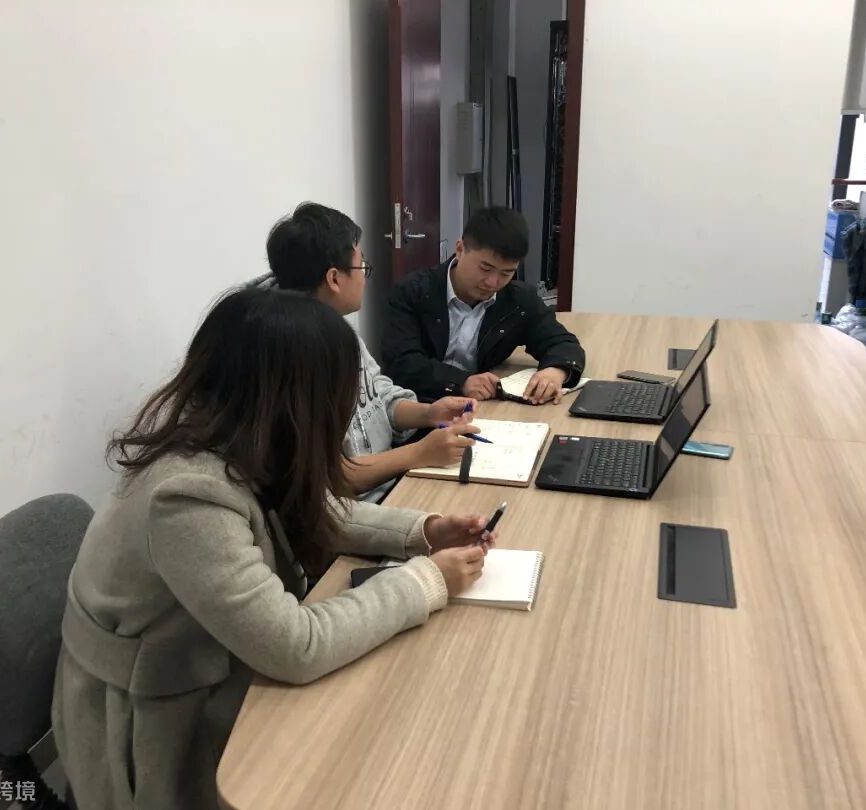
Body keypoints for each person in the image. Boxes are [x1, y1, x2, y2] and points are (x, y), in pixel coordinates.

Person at [52, 287, 495, 810]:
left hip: (212, 663)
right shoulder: (186, 495)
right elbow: (295, 647)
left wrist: (426, 531)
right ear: (294, 399)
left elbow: (315, 510)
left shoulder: (240, 436)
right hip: (150, 724)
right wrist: (427, 579)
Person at [256, 202, 478, 502]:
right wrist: (418, 453)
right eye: (361, 266)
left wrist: (429, 413)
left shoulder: (338, 331)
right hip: (356, 510)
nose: (364, 277)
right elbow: (330, 479)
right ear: (334, 279)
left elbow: (379, 395)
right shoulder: (291, 360)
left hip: (391, 482)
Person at [382, 206, 586, 404]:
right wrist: (461, 382)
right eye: (485, 268)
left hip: (481, 408)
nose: (492, 282)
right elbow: (401, 362)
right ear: (460, 249)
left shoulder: (518, 301)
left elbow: (563, 344)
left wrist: (556, 371)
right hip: (417, 406)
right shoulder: (413, 291)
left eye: (506, 273)